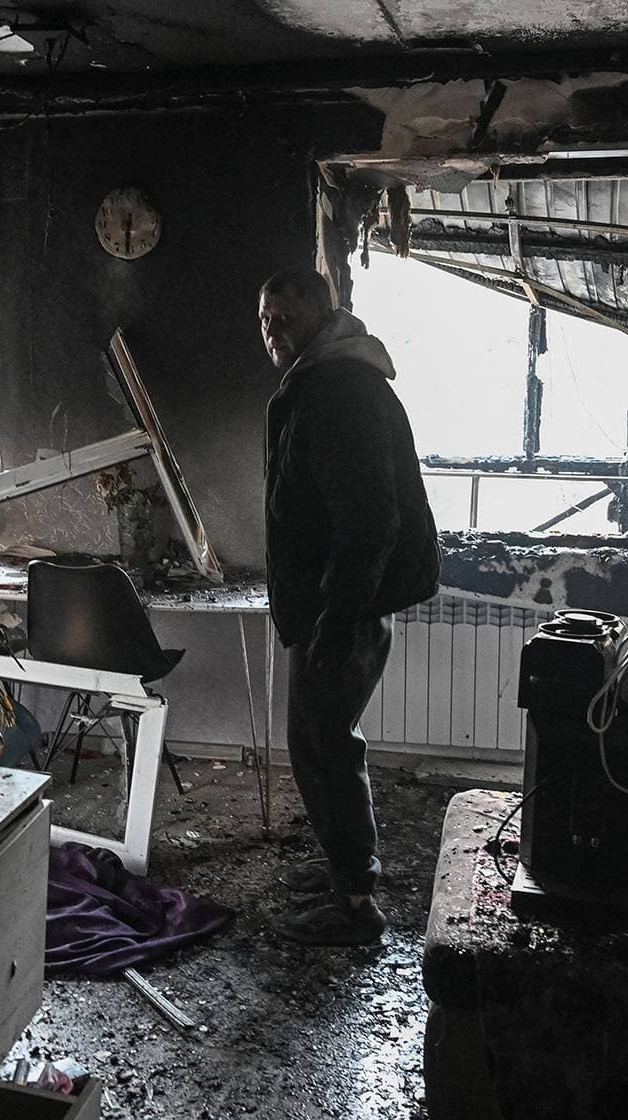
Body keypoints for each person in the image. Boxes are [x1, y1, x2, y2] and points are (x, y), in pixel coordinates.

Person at [257, 267, 440, 946]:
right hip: (336, 601)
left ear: (322, 317)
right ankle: (344, 871)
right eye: (265, 319)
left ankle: (356, 906)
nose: (272, 331)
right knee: (319, 742)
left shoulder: (338, 389)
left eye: (285, 318)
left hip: (343, 605)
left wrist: (336, 615)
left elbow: (370, 518)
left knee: (326, 745)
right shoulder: (323, 380)